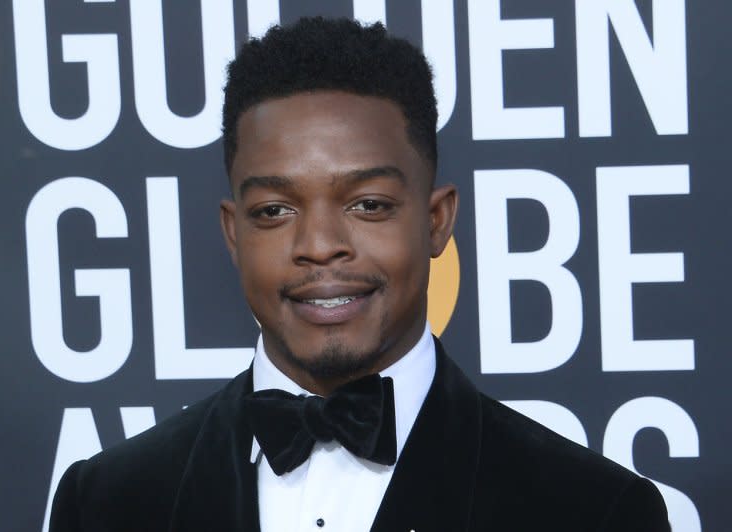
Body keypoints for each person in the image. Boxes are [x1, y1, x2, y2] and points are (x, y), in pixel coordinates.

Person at [50, 17, 670, 531]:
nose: (320, 246)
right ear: (234, 233)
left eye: (368, 205)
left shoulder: (595, 511)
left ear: (435, 221)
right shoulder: (105, 502)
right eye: (275, 210)